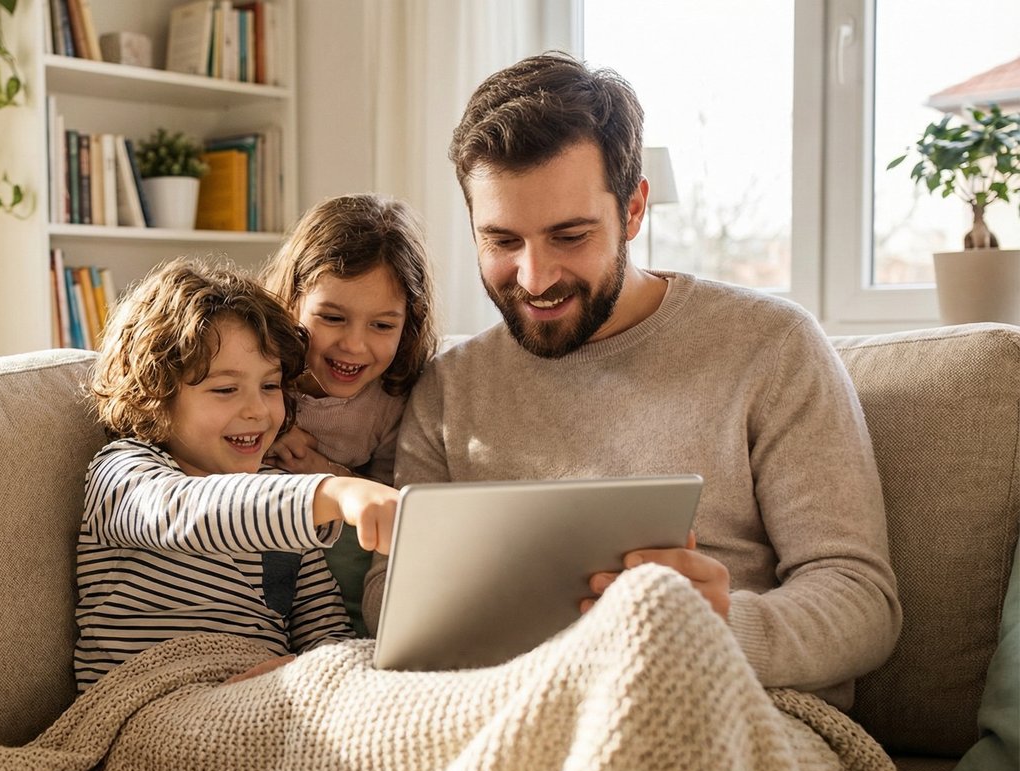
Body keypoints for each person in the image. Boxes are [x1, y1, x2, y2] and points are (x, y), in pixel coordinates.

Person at [362, 52, 901, 708]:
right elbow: (387, 596)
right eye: (502, 241)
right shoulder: (449, 386)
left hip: (726, 705)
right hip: (504, 704)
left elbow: (861, 601)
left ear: (635, 209)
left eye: (569, 235)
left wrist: (719, 624)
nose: (534, 278)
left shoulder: (772, 347)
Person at [75, 257, 399, 691]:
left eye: (269, 386)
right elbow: (189, 513)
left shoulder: (285, 496)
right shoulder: (123, 471)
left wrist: (325, 676)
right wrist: (332, 492)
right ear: (156, 395)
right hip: (146, 705)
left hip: (265, 704)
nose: (257, 411)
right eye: (226, 390)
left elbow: (326, 635)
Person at [260, 193, 439, 634]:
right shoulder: (256, 374)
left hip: (336, 592)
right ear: (293, 301)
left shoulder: (391, 402)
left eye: (382, 325)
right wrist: (270, 424)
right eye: (332, 318)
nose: (355, 346)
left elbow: (389, 501)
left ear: (408, 324)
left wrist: (326, 471)